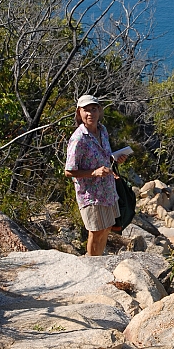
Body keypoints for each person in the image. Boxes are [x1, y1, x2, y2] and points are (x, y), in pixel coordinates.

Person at [65, 94, 128, 256]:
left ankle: (98, 260)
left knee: (106, 228)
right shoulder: (78, 139)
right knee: (95, 230)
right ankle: (92, 264)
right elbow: (69, 170)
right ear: (79, 113)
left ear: (100, 111)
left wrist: (116, 159)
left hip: (107, 189)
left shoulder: (103, 130)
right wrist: (94, 172)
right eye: (86, 110)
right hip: (90, 193)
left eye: (94, 109)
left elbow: (104, 156)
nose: (90, 113)